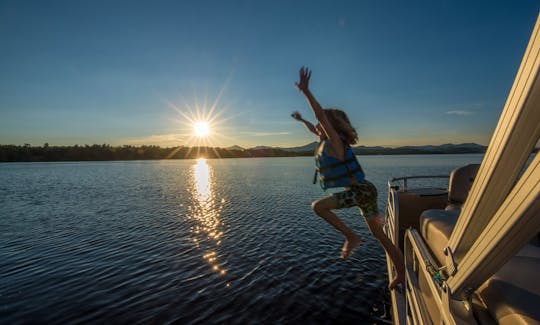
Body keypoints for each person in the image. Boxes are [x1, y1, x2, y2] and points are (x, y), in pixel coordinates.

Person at [292, 66, 404, 290]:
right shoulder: (329, 140)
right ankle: (401, 273)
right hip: (365, 190)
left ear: (329, 126)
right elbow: (315, 127)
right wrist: (301, 120)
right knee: (380, 236)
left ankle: (351, 237)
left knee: (318, 207)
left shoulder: (335, 141)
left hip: (360, 192)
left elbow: (320, 116)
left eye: (321, 125)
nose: (317, 128)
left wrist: (306, 92)